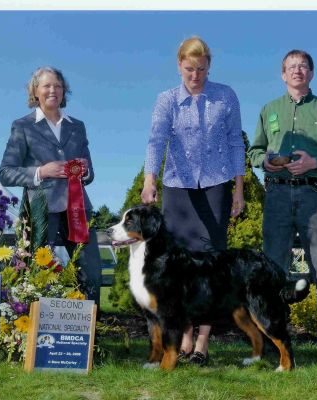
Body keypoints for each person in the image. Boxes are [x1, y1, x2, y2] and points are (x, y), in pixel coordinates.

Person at [141, 36, 245, 366]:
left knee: (212, 264)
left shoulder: (225, 96)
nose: (195, 75)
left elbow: (235, 144)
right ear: (179, 66)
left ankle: (202, 342)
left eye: (201, 69)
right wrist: (149, 180)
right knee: (179, 266)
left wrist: (239, 188)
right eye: (189, 69)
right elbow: (156, 140)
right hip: (177, 187)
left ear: (209, 66)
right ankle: (185, 333)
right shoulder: (166, 100)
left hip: (216, 185)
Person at [248, 50, 317, 363]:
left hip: (314, 196)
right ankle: (271, 343)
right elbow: (254, 152)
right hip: (277, 197)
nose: (297, 71)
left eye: (303, 66)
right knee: (270, 274)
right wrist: (265, 161)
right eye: (291, 67)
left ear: (311, 73)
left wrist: (314, 162)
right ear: (283, 74)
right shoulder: (269, 110)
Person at [0, 66, 102, 304]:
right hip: (39, 213)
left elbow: (90, 173)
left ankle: (89, 336)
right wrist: (41, 172)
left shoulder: (77, 126)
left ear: (64, 91)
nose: (53, 90)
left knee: (90, 276)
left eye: (57, 85)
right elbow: (5, 173)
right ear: (35, 91)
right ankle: (31, 335)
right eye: (46, 86)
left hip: (79, 211)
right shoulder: (22, 126)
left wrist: (84, 173)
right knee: (35, 276)